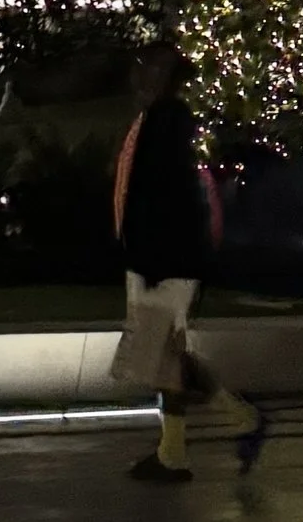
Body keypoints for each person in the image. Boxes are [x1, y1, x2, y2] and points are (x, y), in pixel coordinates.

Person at [110, 43, 260, 484]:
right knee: (165, 355)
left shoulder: (166, 120)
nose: (137, 74)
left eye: (147, 67)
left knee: (163, 355)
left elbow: (165, 196)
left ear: (164, 75)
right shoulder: (162, 117)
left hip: (164, 261)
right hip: (162, 258)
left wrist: (152, 260)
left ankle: (215, 430)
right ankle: (196, 439)